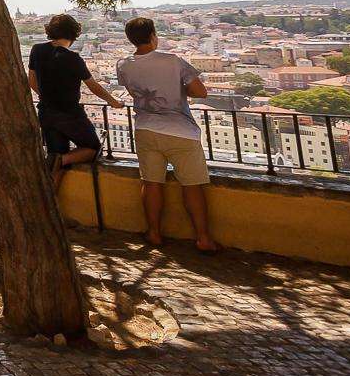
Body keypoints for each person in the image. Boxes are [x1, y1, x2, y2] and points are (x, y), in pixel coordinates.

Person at [117, 17, 220, 253]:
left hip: (145, 128)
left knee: (151, 183)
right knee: (192, 186)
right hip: (180, 130)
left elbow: (133, 91)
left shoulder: (123, 65)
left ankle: (153, 232)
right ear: (153, 36)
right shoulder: (173, 61)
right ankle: (203, 238)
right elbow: (200, 92)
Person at [28, 14, 125, 190]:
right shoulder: (73, 59)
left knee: (56, 161)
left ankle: (50, 199)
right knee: (93, 149)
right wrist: (113, 102)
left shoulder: (37, 50)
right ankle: (61, 159)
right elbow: (93, 86)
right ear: (74, 34)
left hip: (46, 112)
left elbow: (32, 81)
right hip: (70, 113)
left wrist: (47, 97)